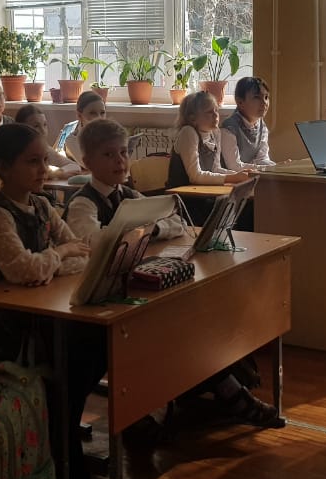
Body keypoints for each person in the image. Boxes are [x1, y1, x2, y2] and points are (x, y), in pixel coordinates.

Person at [66, 118, 280, 427]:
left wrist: (151, 230)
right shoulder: (83, 203)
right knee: (173, 327)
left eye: (123, 152)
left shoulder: (129, 196)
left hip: (130, 290)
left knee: (190, 317)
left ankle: (218, 389)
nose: (120, 161)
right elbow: (92, 241)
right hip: (96, 301)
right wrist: (136, 230)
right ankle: (209, 396)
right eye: (108, 155)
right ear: (87, 162)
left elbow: (176, 221)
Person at [0, 123, 102, 479]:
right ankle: (62, 439)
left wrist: (50, 262)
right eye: (32, 162)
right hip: (3, 323)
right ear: (3, 167)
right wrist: (58, 254)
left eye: (44, 160)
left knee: (95, 343)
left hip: (39, 314)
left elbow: (81, 255)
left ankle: (61, 428)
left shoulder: (42, 205)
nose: (43, 169)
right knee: (80, 349)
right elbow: (23, 270)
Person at [167, 91, 251, 190]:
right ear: (192, 118)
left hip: (202, 191)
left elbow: (215, 169)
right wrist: (233, 178)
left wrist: (240, 175)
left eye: (216, 110)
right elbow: (195, 176)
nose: (216, 115)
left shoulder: (215, 132)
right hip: (181, 194)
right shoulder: (188, 132)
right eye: (209, 112)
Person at [220, 76, 276, 171]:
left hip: (251, 175)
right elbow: (234, 166)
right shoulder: (229, 128)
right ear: (240, 102)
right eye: (256, 97)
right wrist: (270, 167)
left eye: (266, 97)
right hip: (230, 177)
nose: (264, 102)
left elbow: (262, 159)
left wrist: (278, 167)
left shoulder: (262, 126)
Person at [14, 104, 81, 178]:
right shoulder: (16, 153)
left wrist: (58, 172)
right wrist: (52, 174)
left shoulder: (45, 149)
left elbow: (75, 166)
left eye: (45, 125)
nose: (43, 131)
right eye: (36, 126)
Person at [58, 90, 106, 168]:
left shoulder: (108, 132)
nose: (99, 118)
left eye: (102, 113)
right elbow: (93, 166)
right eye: (92, 113)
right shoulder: (72, 140)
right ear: (79, 116)